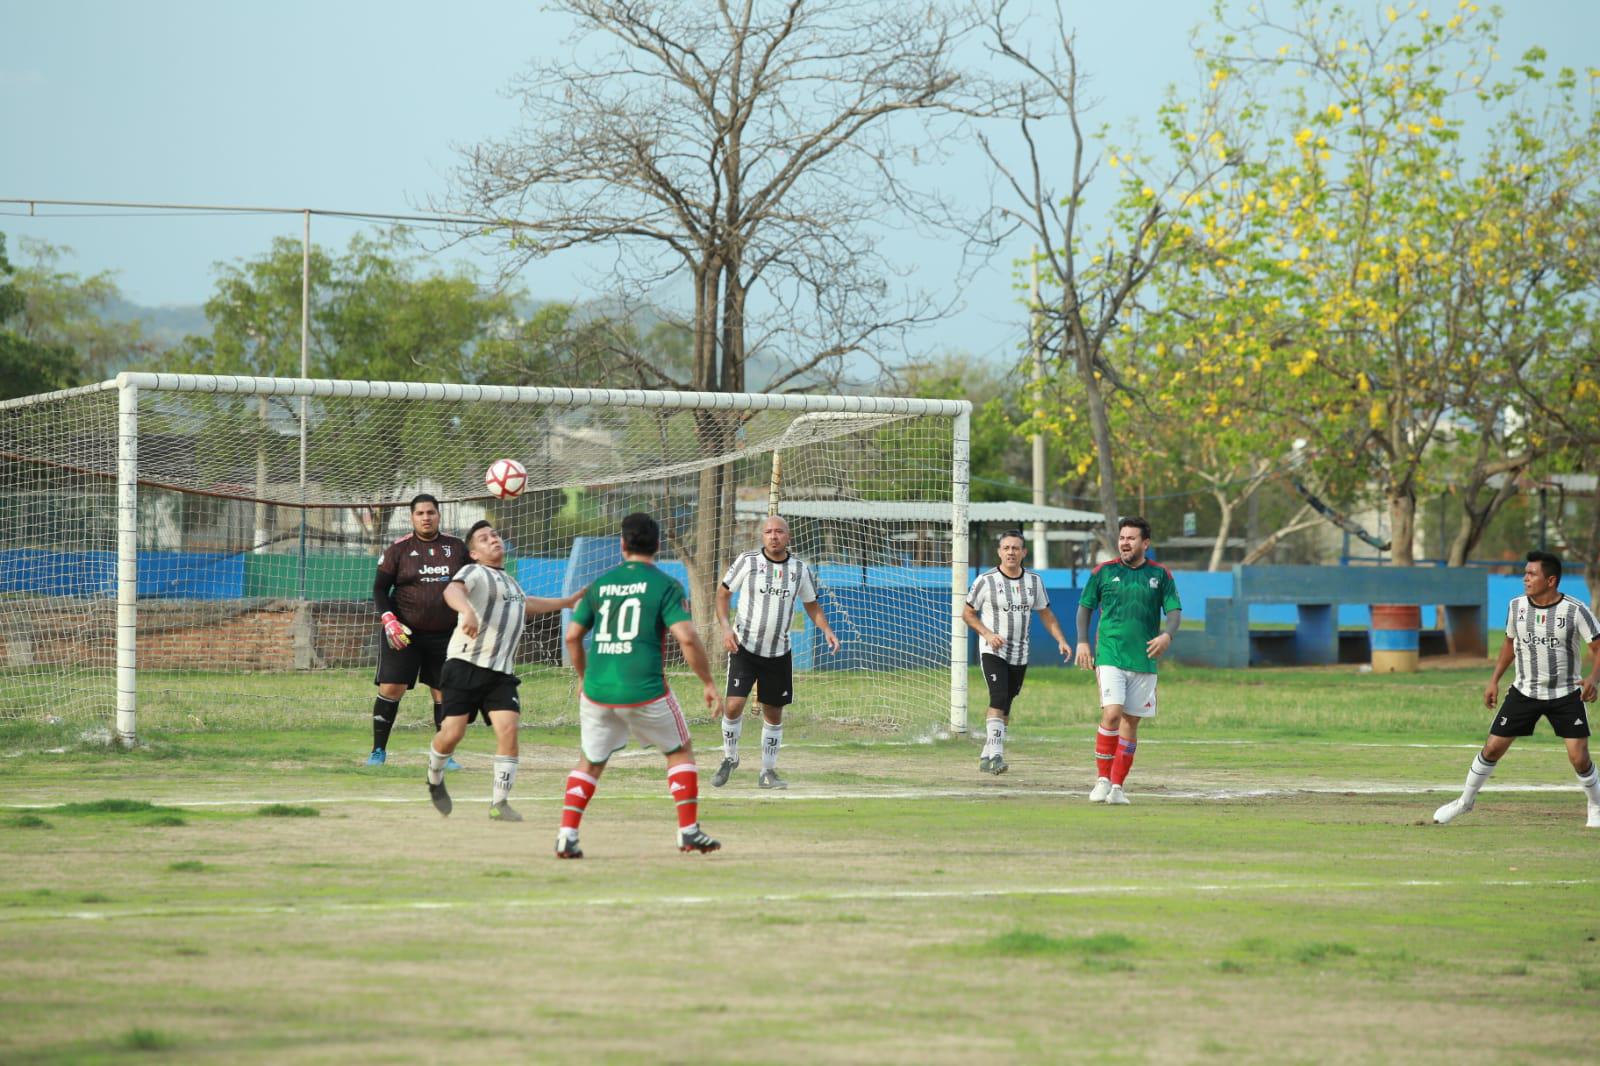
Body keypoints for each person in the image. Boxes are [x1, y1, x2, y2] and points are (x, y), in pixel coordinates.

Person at [555, 512, 722, 858]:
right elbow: (687, 638)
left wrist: (585, 677)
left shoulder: (601, 584)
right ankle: (688, 831)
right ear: (658, 545)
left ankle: (567, 835)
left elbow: (572, 636)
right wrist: (707, 681)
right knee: (678, 751)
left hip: (598, 691)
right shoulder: (665, 585)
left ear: (622, 544)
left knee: (590, 760)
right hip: (646, 690)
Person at [424, 520, 581, 822]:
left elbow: (526, 604)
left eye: (494, 535)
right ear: (474, 553)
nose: (493, 540)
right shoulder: (473, 572)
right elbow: (452, 591)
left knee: (509, 730)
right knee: (452, 734)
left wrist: (568, 602)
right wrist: (466, 610)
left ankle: (500, 803)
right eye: (483, 539)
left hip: (500, 673)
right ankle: (434, 777)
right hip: (464, 665)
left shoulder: (510, 582)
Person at [1433, 550, 1600, 828]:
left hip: (1565, 693)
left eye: (1531, 574)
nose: (1525, 578)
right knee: (1492, 748)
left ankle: (1595, 806)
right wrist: (1494, 679)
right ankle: (1464, 802)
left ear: (1551, 580)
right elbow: (1509, 644)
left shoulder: (1574, 610)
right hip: (1524, 691)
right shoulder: (1516, 607)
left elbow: (1597, 647)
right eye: (1525, 573)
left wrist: (1593, 678)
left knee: (1579, 757)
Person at [711, 514, 840, 790]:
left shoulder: (799, 569)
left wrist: (827, 630)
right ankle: (729, 758)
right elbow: (723, 594)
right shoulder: (748, 561)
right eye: (768, 531)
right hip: (744, 647)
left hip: (778, 653)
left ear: (788, 536)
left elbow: (811, 605)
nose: (773, 536)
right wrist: (725, 627)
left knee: (773, 713)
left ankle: (767, 772)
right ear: (762, 536)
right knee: (733, 705)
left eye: (779, 531)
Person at [1074, 516, 1181, 805]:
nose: (1124, 542)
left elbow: (1173, 611)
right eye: (1122, 537)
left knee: (1131, 721)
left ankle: (1118, 787)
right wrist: (1083, 641)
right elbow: (1085, 608)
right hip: (1110, 653)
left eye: (1131, 538)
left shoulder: (1161, 575)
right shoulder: (1103, 573)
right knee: (1112, 712)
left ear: (1145, 543)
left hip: (1144, 659)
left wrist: (1167, 636)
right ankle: (1102, 779)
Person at [368, 494, 470, 766]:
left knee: (444, 692)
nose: (426, 517)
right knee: (391, 688)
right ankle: (378, 751)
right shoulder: (398, 549)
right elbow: (379, 589)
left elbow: (472, 582)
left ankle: (445, 755)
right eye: (420, 513)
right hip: (404, 634)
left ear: (438, 515)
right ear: (412, 517)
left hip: (446, 634)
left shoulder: (457, 548)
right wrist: (388, 618)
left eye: (431, 512)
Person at [963, 529, 1072, 775]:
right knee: (998, 696)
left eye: (1016, 548)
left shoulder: (1034, 582)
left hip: (1020, 653)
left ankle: (986, 753)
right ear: (999, 552)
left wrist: (1061, 640)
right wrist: (988, 634)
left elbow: (1046, 614)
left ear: (1024, 552)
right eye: (1006, 548)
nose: (1011, 552)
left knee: (1007, 704)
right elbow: (967, 613)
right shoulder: (985, 580)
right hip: (992, 650)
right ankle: (997, 756)